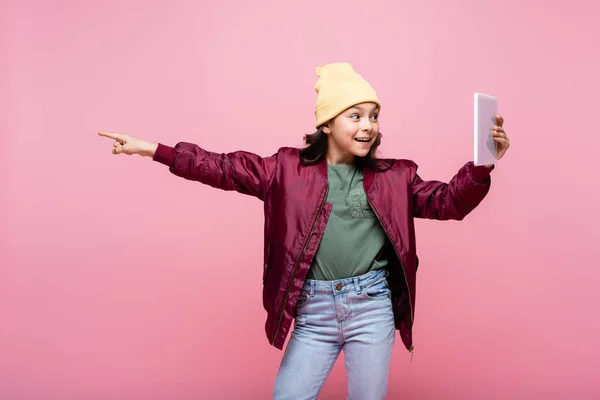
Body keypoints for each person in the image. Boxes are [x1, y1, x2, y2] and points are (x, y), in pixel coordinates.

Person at [98, 62, 510, 400]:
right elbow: (221, 167)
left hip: (372, 307)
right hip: (314, 313)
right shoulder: (284, 170)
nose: (368, 126)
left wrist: (482, 166)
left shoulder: (396, 176)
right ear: (327, 123)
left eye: (373, 116)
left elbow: (446, 203)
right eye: (355, 116)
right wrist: (153, 149)